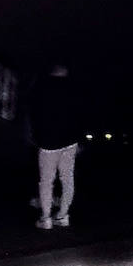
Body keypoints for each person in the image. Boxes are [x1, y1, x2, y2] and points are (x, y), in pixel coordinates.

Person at [29, 61, 84, 230]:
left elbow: (35, 113)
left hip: (48, 141)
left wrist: (36, 136)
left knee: (46, 181)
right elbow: (80, 115)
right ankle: (63, 215)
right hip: (70, 141)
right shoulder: (74, 89)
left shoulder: (41, 88)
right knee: (67, 179)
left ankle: (45, 218)